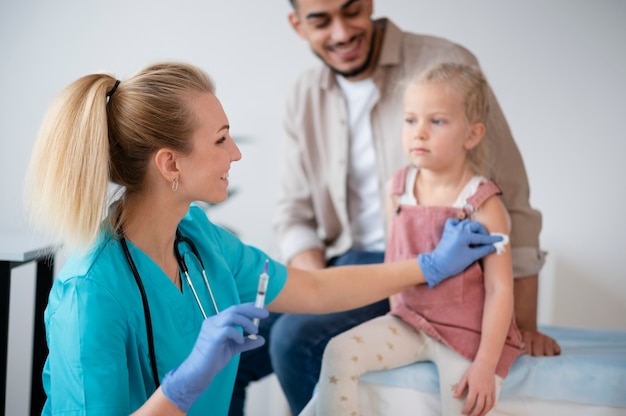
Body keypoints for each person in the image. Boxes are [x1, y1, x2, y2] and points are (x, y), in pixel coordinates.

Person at [22, 61, 501, 416]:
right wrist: (183, 386)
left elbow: (313, 289)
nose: (235, 153)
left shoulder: (199, 241)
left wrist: (430, 266)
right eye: (220, 140)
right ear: (170, 164)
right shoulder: (89, 293)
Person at [234, 1, 561, 414]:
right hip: (336, 265)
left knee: (293, 339)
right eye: (321, 20)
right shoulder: (304, 94)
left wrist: (525, 326)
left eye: (350, 11)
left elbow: (511, 198)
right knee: (230, 349)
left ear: (368, 3)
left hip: (418, 270)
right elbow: (294, 213)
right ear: (298, 26)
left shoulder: (447, 66)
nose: (340, 33)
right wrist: (318, 289)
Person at [310, 62, 525, 416]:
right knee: (338, 351)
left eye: (436, 121)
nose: (419, 133)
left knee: (466, 403)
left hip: (466, 334)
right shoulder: (397, 189)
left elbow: (500, 289)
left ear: (471, 135)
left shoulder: (484, 205)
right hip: (408, 321)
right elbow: (395, 261)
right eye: (411, 120)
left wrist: (486, 364)